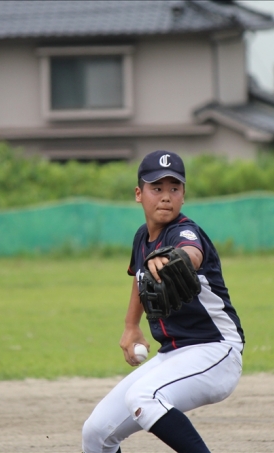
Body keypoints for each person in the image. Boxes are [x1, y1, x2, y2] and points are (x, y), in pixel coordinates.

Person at [81, 150, 245, 453]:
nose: (166, 196)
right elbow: (139, 275)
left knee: (143, 396)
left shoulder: (185, 231)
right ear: (139, 194)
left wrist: (175, 257)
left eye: (174, 188)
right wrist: (131, 326)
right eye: (156, 188)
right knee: (96, 433)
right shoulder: (142, 237)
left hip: (216, 351)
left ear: (183, 195)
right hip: (174, 353)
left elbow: (191, 252)